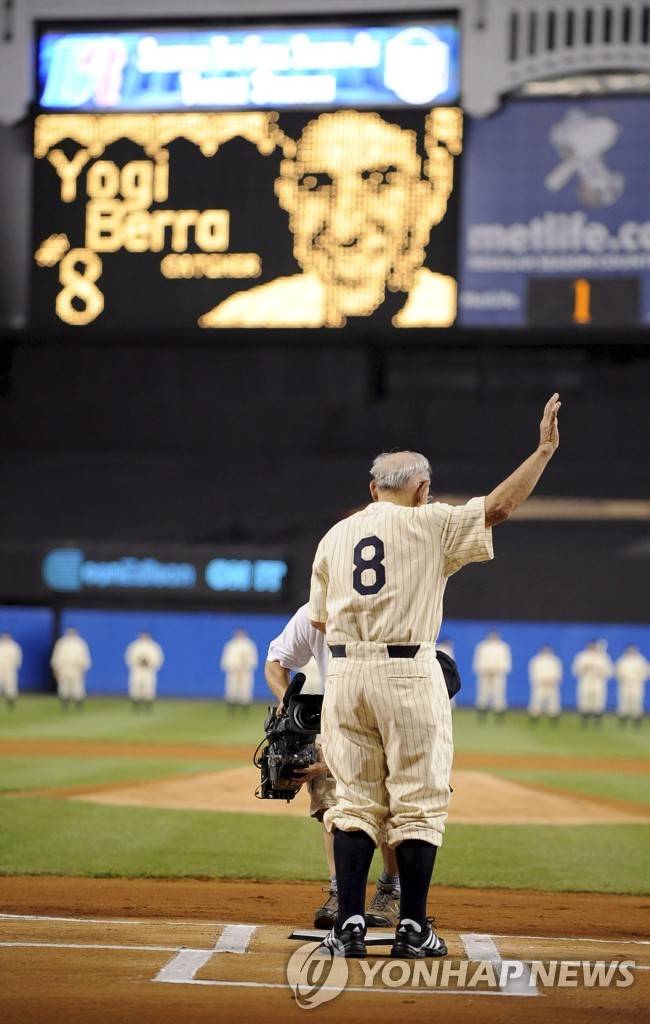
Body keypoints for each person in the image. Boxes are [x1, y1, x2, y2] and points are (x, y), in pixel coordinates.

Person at [310, 393, 561, 958]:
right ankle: (412, 927)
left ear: (373, 489)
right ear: (421, 489)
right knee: (418, 801)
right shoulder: (431, 520)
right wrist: (543, 450)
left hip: (346, 676)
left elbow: (322, 621)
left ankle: (348, 925)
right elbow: (496, 507)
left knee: (352, 802)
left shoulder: (334, 536)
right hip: (407, 673)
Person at [199, 109, 459, 329]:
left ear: (432, 193)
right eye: (316, 184)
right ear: (288, 197)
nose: (343, 229)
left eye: (379, 181)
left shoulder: (462, 309)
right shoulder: (244, 321)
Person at [265, 604, 401, 930]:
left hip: (392, 715)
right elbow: (275, 662)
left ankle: (390, 890)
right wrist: (287, 701)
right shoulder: (313, 613)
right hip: (336, 719)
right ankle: (340, 892)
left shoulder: (384, 607)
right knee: (329, 802)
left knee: (389, 807)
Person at [572, 640, 614, 726]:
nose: (592, 648)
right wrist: (585, 668)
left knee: (598, 701)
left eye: (594, 646)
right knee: (584, 701)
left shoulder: (603, 657)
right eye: (590, 646)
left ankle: (597, 721)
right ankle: (584, 721)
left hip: (598, 682)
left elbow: (610, 671)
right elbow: (575, 670)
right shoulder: (582, 656)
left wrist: (599, 671)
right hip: (586, 681)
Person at [472, 631, 512, 720]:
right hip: (485, 675)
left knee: (499, 694)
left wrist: (497, 670)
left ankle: (499, 715)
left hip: (498, 675)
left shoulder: (503, 647)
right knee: (483, 694)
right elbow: (478, 660)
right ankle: (482, 715)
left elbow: (506, 662)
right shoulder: (482, 646)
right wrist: (485, 670)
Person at [51, 627, 91, 710]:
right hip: (64, 667)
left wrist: (84, 669)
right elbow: (57, 656)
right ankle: (64, 703)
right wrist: (56, 668)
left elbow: (84, 657)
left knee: (77, 687)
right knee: (63, 687)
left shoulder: (80, 643)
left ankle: (78, 704)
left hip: (76, 668)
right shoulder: (61, 643)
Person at [220, 629, 258, 709]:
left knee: (245, 689)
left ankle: (245, 707)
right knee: (232, 688)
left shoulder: (249, 645)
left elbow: (253, 658)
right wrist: (233, 667)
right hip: (233, 671)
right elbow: (226, 658)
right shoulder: (230, 645)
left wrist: (245, 666)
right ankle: (231, 707)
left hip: (245, 671)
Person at [125, 632, 164, 710]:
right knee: (135, 685)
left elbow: (158, 657)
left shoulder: (153, 646)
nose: (144, 637)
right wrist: (138, 661)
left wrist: (149, 662)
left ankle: (148, 705)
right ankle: (135, 704)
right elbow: (129, 657)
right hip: (137, 669)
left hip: (148, 670)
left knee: (149, 686)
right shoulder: (134, 646)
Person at [614, 645, 648, 727]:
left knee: (636, 701)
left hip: (636, 684)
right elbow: (617, 672)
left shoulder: (641, 660)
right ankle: (623, 720)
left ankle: (637, 721)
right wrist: (623, 677)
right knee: (624, 701)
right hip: (625, 684)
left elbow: (646, 672)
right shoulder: (622, 661)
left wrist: (638, 678)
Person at [528, 645, 563, 723]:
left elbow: (558, 673)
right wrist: (540, 680)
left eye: (547, 650)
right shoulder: (536, 660)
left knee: (553, 702)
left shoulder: (555, 660)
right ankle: (534, 718)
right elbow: (533, 672)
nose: (546, 652)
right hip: (540, 684)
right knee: (536, 701)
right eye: (544, 650)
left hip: (552, 684)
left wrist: (553, 680)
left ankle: (553, 718)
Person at [0, 633, 22, 709]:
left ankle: (10, 701)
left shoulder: (14, 646)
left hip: (10, 668)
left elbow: (18, 657)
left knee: (11, 684)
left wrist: (15, 666)